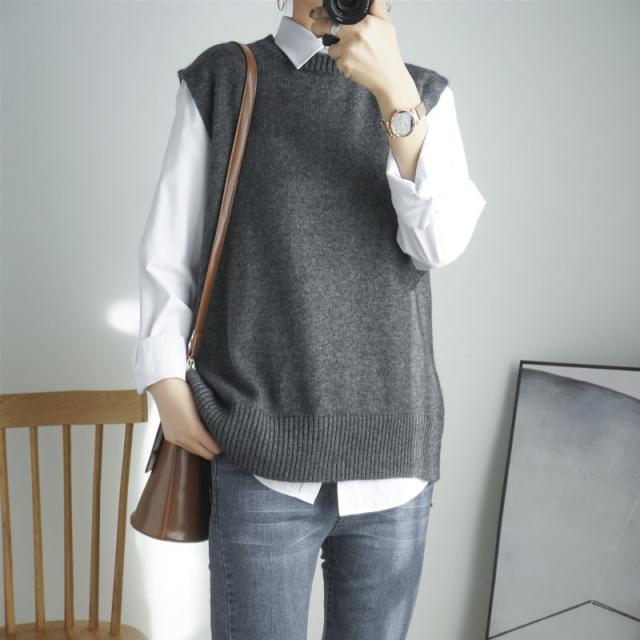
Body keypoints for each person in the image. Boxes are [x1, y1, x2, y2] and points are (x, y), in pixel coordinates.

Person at [131, 1, 486, 638]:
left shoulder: (422, 93)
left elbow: (439, 244)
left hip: (392, 455)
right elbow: (169, 253)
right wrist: (164, 382)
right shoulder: (226, 79)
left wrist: (394, 93)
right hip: (259, 446)